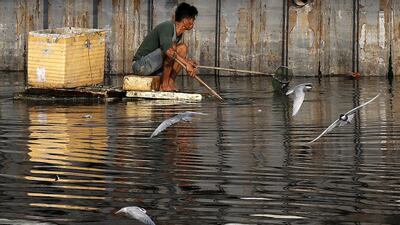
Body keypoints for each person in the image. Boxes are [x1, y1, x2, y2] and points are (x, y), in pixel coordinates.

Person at [132, 2, 198, 91]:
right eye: (192, 19)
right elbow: (169, 52)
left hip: (154, 67)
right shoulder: (167, 26)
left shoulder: (178, 34)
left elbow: (174, 55)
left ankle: (170, 83)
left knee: (182, 48)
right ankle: (164, 85)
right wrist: (186, 64)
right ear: (185, 20)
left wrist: (188, 62)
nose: (193, 22)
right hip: (140, 65)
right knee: (174, 50)